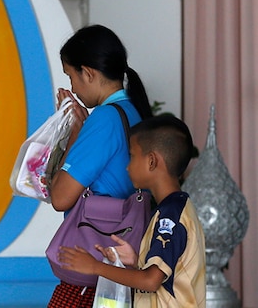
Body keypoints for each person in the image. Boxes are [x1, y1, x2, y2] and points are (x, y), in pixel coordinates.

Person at [46, 24, 155, 307]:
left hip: (93, 268)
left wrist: (75, 132)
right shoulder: (134, 110)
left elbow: (60, 198)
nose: (72, 87)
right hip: (127, 265)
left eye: (72, 76)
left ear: (89, 73)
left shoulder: (104, 118)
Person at [57, 115, 206, 308]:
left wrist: (95, 267)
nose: (127, 167)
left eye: (132, 156)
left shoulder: (170, 215)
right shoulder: (173, 208)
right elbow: (167, 274)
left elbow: (151, 281)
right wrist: (137, 261)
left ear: (151, 162)